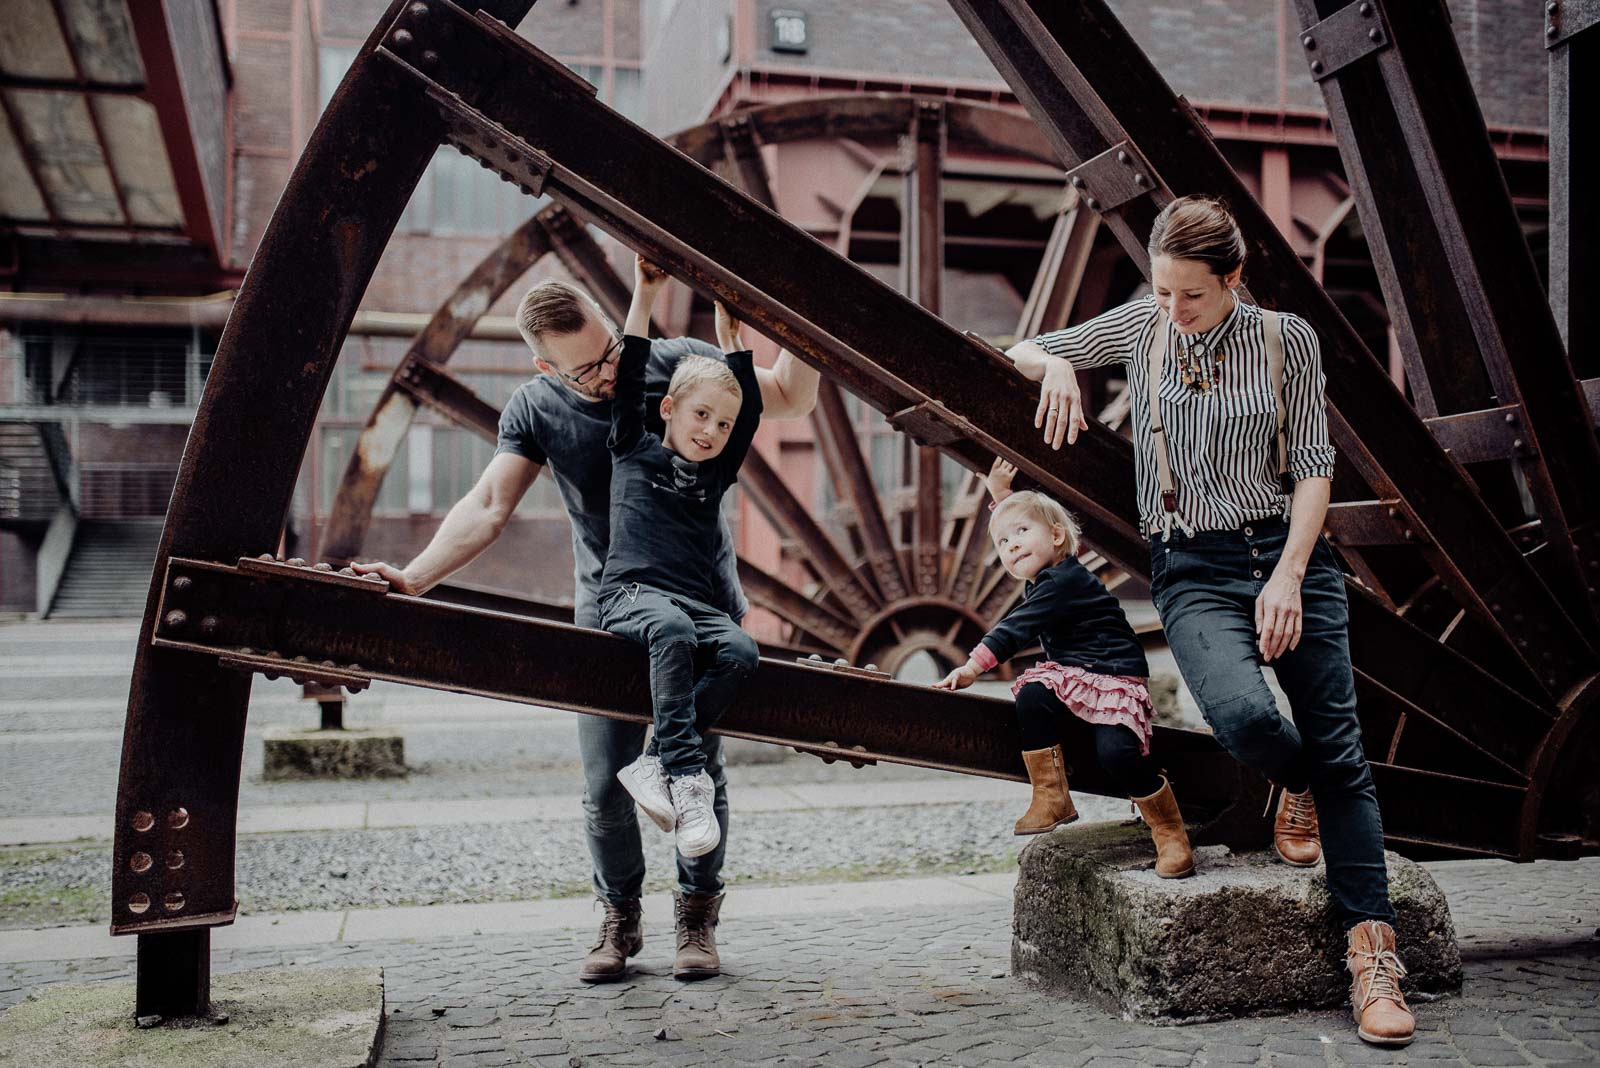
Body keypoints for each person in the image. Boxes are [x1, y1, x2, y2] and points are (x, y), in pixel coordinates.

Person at [1000, 193, 1413, 1046]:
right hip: (1190, 566)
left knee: (1342, 750)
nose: (1175, 311)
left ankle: (1372, 954)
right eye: (1161, 292)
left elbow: (1310, 466)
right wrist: (1063, 364)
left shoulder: (1285, 339)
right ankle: (1295, 787)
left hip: (1287, 555)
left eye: (1192, 294)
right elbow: (1021, 350)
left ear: (1233, 279)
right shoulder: (1143, 326)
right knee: (1245, 718)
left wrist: (1292, 575)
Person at [352, 258, 820, 985]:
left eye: (609, 354)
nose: (606, 375)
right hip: (609, 611)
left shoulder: (669, 364)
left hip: (702, 600)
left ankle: (697, 920)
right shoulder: (534, 407)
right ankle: (619, 920)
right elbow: (486, 507)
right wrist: (413, 576)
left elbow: (787, 395)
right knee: (605, 783)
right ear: (546, 366)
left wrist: (806, 315)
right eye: (584, 370)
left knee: (701, 769)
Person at [935, 459, 1193, 878]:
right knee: (1034, 693)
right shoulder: (1047, 570)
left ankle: (1168, 829)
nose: (1012, 545)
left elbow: (1016, 627)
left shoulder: (1062, 581)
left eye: (1021, 535)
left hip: (1112, 677)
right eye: (1003, 543)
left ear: (1057, 537)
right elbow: (1025, 524)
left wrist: (971, 667)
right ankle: (1052, 796)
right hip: (1075, 672)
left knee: (1116, 754)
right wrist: (1000, 494)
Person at [600, 258, 761, 872]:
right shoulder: (632, 447)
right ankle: (689, 783)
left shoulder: (714, 474)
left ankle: (656, 761)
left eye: (720, 424)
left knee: (741, 650)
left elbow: (749, 417)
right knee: (672, 631)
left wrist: (732, 346)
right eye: (700, 416)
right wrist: (645, 291)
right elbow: (630, 370)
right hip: (631, 595)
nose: (712, 431)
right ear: (667, 409)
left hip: (693, 602)